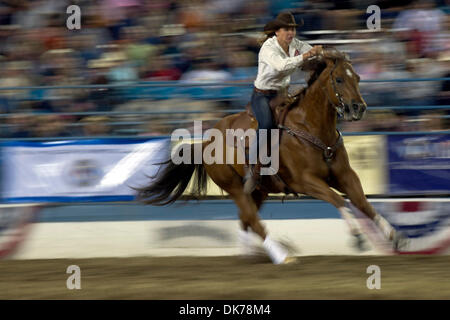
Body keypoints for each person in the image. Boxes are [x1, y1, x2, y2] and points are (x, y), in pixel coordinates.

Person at [243, 11, 323, 194]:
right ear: (276, 32)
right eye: (287, 29)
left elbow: (307, 48)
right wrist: (306, 56)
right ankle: (251, 167)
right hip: (262, 95)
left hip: (281, 93)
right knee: (267, 124)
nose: (291, 33)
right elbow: (281, 65)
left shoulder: (294, 43)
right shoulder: (268, 48)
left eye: (293, 29)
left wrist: (321, 53)